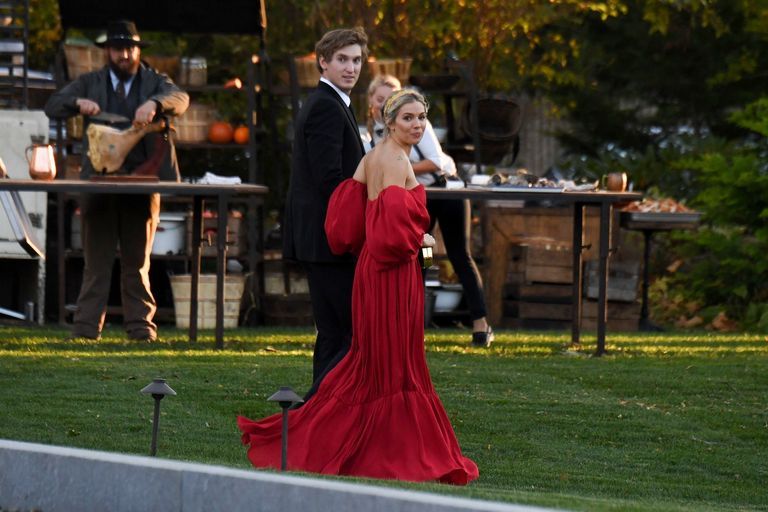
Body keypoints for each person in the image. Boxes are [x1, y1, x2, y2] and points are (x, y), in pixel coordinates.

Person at [238, 89, 479, 484]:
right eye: (408, 119)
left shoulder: (372, 155)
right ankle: (386, 449)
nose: (417, 125)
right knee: (390, 365)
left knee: (369, 363)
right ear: (390, 122)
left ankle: (322, 432)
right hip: (391, 274)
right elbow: (388, 236)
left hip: (372, 270)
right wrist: (422, 240)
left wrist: (392, 235)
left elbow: (344, 219)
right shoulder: (396, 160)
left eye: (422, 118)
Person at [45, 20, 189, 341]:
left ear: (137, 50)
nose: (123, 54)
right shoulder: (90, 82)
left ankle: (141, 329)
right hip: (98, 183)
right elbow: (52, 105)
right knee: (96, 263)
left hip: (142, 182)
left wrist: (154, 104)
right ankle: (85, 330)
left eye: (129, 48)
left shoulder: (154, 81)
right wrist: (76, 103)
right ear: (107, 52)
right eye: (117, 48)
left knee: (138, 263)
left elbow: (180, 99)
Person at [363, 75, 494, 347]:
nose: (387, 104)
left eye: (393, 98)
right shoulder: (373, 133)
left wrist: (399, 167)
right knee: (421, 259)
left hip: (446, 194)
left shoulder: (416, 125)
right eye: (381, 99)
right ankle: (414, 328)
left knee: (460, 256)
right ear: (371, 102)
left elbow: (436, 162)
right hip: (417, 201)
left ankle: (481, 325)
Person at [282, 28, 368, 392]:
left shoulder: (333, 104)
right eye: (342, 60)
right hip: (328, 238)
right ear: (323, 62)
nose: (351, 68)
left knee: (335, 334)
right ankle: (319, 411)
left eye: (357, 60)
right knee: (347, 334)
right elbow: (330, 179)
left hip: (324, 238)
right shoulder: (325, 107)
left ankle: (317, 412)